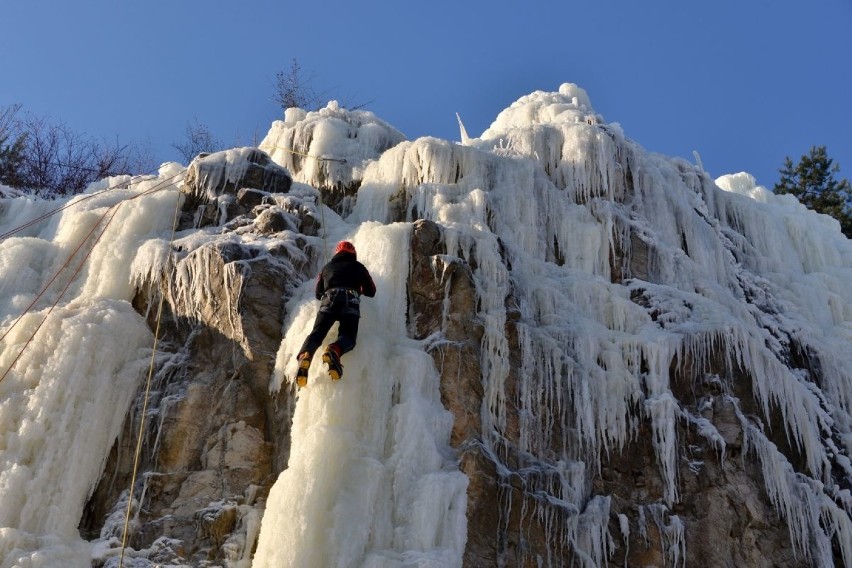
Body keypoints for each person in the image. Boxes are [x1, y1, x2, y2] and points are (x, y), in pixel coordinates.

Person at [295, 240, 376, 387]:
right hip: (350, 301)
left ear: (337, 253)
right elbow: (371, 291)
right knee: (348, 337)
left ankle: (305, 355)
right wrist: (358, 289)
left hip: (329, 300)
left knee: (317, 333)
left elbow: (318, 293)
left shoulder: (327, 268)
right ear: (354, 254)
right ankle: (334, 349)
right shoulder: (359, 267)